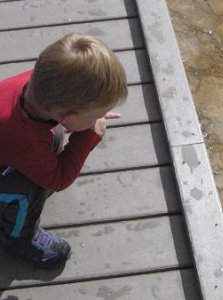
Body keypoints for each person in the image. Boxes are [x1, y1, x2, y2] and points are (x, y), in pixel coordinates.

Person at [0, 32, 128, 268]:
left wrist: (86, 117)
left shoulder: (34, 85)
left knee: (54, 136)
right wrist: (90, 134)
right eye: (96, 115)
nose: (100, 119)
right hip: (14, 150)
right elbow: (58, 180)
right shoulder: (25, 140)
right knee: (28, 189)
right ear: (68, 115)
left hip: (12, 144)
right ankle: (18, 241)